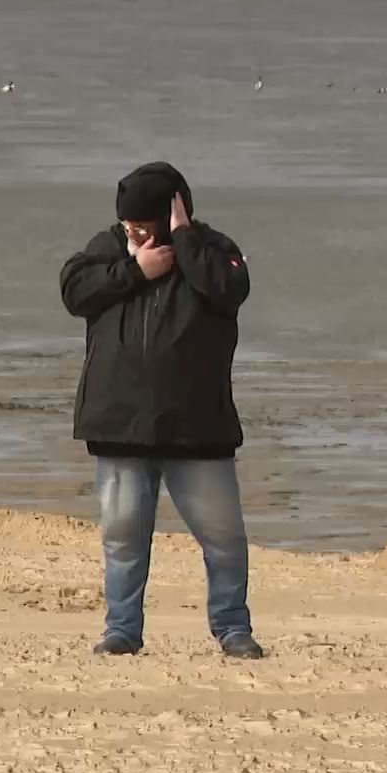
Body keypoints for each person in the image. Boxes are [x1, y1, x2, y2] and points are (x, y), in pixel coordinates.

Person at [59, 162, 262, 659]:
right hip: (121, 425)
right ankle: (122, 631)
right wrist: (135, 268)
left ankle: (232, 628)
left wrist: (185, 244)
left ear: (175, 212)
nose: (134, 232)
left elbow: (230, 289)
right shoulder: (109, 249)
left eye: (144, 225)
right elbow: (74, 290)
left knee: (224, 540)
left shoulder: (213, 250)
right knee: (123, 539)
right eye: (129, 224)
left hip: (198, 427)